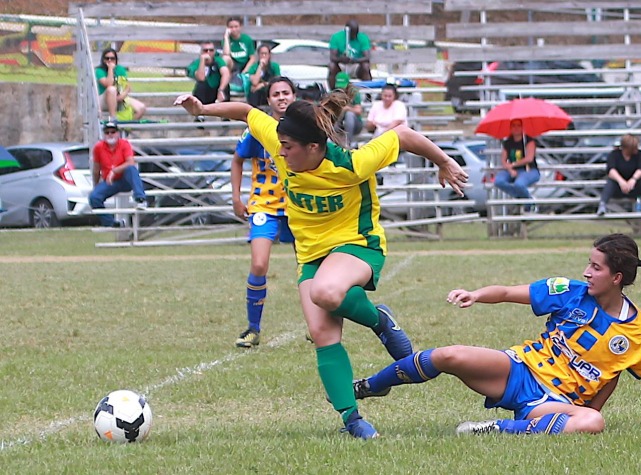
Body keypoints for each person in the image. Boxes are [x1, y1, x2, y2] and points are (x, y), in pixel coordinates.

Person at [174, 88, 468, 439]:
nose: (279, 152)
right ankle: (353, 421)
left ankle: (379, 321)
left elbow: (402, 135)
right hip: (312, 256)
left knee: (326, 292)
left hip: (358, 245)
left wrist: (443, 161)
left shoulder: (352, 163)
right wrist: (202, 108)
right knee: (322, 333)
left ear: (313, 147)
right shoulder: (284, 147)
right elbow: (246, 112)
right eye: (279, 143)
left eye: (288, 146)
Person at [352, 233, 641, 436]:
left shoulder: (635, 331)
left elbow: (610, 377)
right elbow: (510, 292)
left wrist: (577, 414)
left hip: (552, 401)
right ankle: (371, 385)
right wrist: (476, 295)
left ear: (616, 278)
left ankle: (496, 428)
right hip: (518, 369)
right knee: (448, 355)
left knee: (594, 422)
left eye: (595, 267)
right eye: (588, 263)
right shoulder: (569, 290)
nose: (586, 272)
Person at [231, 77, 296, 348]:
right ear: (268, 101)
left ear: (293, 97)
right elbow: (237, 159)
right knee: (259, 264)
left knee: (310, 268)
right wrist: (235, 196)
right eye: (276, 94)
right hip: (264, 206)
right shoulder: (258, 129)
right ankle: (253, 329)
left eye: (286, 93)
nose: (281, 98)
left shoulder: (305, 127)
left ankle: (320, 326)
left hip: (298, 207)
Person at [89, 121, 147, 228]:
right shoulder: (98, 147)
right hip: (110, 182)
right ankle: (112, 223)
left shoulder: (124, 144)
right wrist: (96, 186)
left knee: (131, 169)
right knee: (94, 197)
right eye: (107, 132)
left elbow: (130, 162)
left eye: (113, 131)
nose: (110, 134)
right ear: (103, 134)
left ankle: (140, 199)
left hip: (125, 180)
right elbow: (96, 169)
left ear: (118, 133)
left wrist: (114, 171)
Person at [597, 134, 641, 216]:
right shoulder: (614, 155)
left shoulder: (640, 154)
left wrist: (633, 180)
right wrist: (621, 182)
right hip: (619, 187)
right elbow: (611, 170)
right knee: (611, 182)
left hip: (635, 187)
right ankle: (602, 205)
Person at [493, 119, 540, 213]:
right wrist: (510, 169)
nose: (516, 128)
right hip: (512, 170)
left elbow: (529, 158)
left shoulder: (529, 141)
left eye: (519, 125)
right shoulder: (507, 142)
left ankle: (529, 204)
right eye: (513, 126)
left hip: (529, 170)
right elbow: (503, 160)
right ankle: (522, 197)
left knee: (519, 184)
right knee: (498, 181)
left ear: (523, 127)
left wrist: (514, 164)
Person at [94, 48, 147, 122]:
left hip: (119, 98)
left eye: (112, 58)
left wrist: (121, 97)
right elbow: (108, 84)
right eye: (107, 58)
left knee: (141, 108)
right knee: (111, 89)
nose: (110, 60)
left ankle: (125, 126)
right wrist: (110, 69)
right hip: (104, 100)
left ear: (116, 60)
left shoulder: (120, 69)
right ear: (103, 60)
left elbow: (127, 87)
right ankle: (113, 118)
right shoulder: (99, 71)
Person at [328, 19, 372, 90]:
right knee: (332, 66)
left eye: (355, 33)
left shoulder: (363, 38)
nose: (354, 36)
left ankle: (368, 94)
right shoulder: (337, 37)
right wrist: (341, 59)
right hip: (341, 65)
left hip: (356, 65)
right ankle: (333, 92)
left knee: (366, 66)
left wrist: (355, 60)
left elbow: (367, 57)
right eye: (352, 34)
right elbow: (332, 57)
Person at [187, 40, 231, 105]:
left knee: (225, 85)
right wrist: (202, 61)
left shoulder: (218, 60)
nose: (208, 52)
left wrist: (221, 90)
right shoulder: (195, 64)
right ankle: (201, 112)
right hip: (204, 93)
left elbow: (226, 74)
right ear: (201, 52)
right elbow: (201, 78)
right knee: (201, 85)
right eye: (205, 50)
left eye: (211, 50)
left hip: (217, 90)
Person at [333, 72, 363, 148]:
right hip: (339, 122)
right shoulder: (333, 93)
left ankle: (348, 142)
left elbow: (359, 111)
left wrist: (347, 108)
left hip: (355, 123)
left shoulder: (354, 93)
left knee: (349, 114)